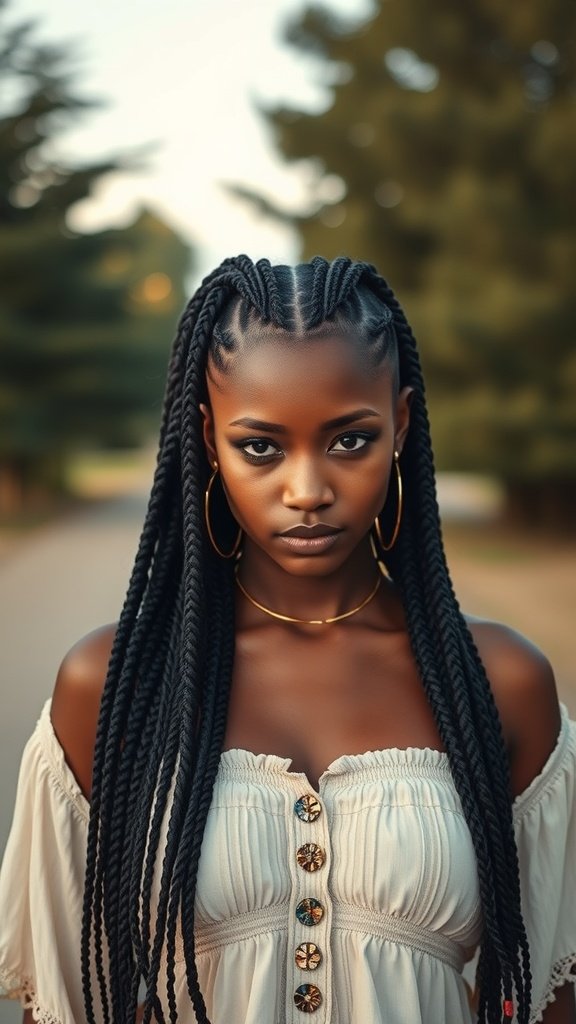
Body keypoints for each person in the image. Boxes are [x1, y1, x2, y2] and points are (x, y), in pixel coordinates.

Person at [0, 256, 574, 1024]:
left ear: (401, 425)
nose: (308, 490)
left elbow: (552, 996)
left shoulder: (499, 682)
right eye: (261, 447)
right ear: (207, 438)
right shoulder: (111, 685)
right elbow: (62, 1001)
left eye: (349, 441)